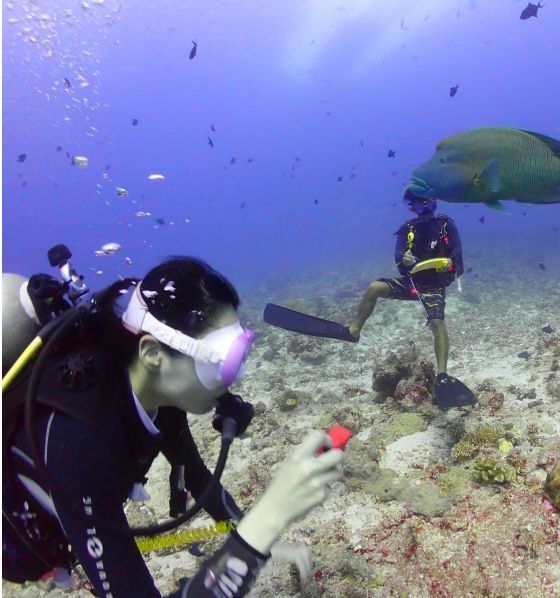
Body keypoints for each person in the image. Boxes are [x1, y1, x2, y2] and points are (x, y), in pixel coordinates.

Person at [2, 257, 343, 597]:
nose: (234, 379)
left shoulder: (156, 395)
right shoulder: (77, 442)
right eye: (222, 363)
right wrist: (267, 519)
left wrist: (255, 544)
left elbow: (197, 479)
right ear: (153, 355)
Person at [346, 189, 474, 407]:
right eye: (418, 205)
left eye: (429, 203)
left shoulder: (446, 226)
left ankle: (442, 375)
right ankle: (354, 330)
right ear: (412, 207)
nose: (424, 209)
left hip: (434, 287)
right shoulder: (407, 229)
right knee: (374, 288)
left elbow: (458, 255)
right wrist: (404, 260)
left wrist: (449, 265)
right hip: (412, 284)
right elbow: (398, 259)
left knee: (437, 323)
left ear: (435, 203)